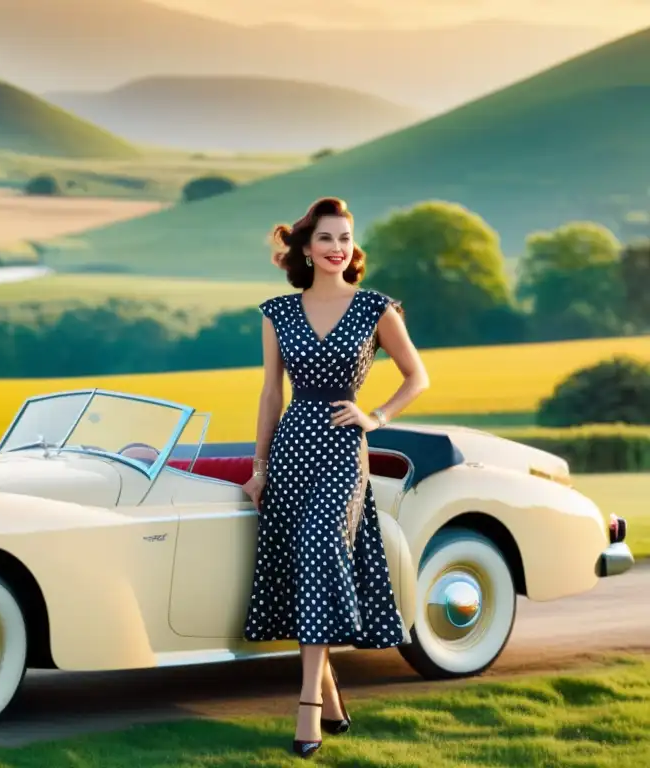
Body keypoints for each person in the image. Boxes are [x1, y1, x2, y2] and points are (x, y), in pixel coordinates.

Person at [241, 197, 430, 759]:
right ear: (305, 248)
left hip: (345, 451)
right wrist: (259, 469)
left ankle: (308, 707)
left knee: (323, 549)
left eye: (345, 238)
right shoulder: (279, 312)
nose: (337, 248)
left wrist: (377, 416)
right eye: (326, 238)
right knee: (305, 566)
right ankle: (331, 694)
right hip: (293, 446)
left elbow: (417, 375)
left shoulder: (375, 308)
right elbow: (272, 394)